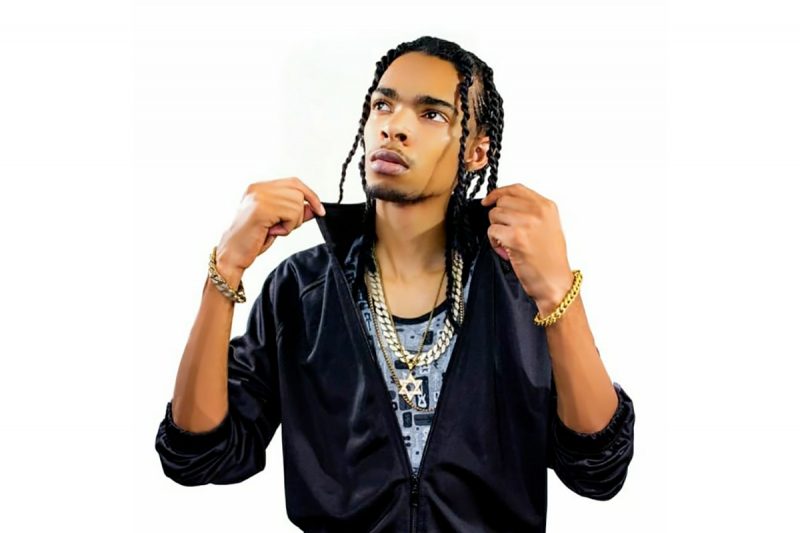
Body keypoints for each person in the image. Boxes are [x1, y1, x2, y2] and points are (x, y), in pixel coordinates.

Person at [154, 35, 635, 532]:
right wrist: (225, 269)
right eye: (383, 105)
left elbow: (598, 468)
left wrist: (557, 292)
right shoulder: (303, 288)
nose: (394, 126)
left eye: (432, 114)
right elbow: (198, 455)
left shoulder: (519, 287)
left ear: (476, 151)